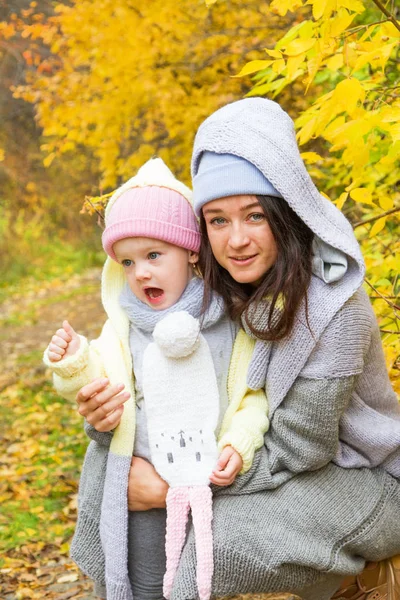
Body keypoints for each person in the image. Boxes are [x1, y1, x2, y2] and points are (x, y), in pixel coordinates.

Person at [72, 98, 400, 600]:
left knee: (208, 548)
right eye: (218, 220)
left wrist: (169, 489)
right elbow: (174, 396)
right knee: (115, 484)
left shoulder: (336, 308)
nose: (237, 240)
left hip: (364, 482)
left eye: (253, 215)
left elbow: (300, 448)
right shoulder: (226, 292)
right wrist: (107, 421)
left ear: (285, 213)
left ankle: (362, 577)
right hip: (273, 469)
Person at [43, 157, 269, 600]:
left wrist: (239, 443)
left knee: (197, 581)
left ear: (190, 251)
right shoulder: (125, 328)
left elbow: (252, 397)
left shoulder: (227, 322)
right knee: (142, 581)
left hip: (207, 478)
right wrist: (73, 364)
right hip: (143, 481)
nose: (141, 271)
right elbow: (98, 383)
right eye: (127, 262)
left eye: (153, 255)